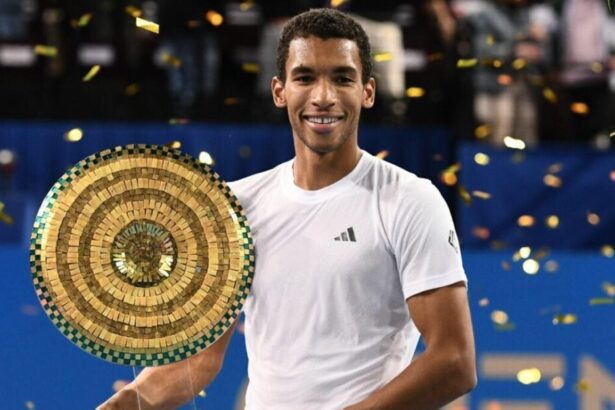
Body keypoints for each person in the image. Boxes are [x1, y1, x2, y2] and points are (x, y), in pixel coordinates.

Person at [97, 8, 476, 410]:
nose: (323, 96)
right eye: (305, 77)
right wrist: (127, 402)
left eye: (342, 78)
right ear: (279, 91)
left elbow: (454, 361)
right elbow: (198, 360)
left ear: (367, 91)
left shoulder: (410, 200)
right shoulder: (235, 206)